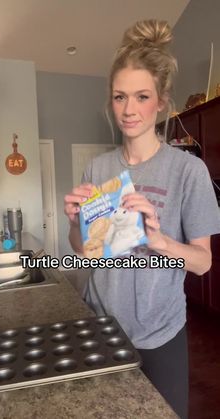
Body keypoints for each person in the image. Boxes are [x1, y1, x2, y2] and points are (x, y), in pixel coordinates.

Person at [64, 19, 220, 418]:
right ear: (110, 101)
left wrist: (160, 240)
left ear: (161, 102)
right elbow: (86, 254)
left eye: (141, 96)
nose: (129, 109)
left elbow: (203, 263)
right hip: (99, 328)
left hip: (160, 333)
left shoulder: (188, 172)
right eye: (119, 97)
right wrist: (74, 225)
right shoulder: (97, 170)